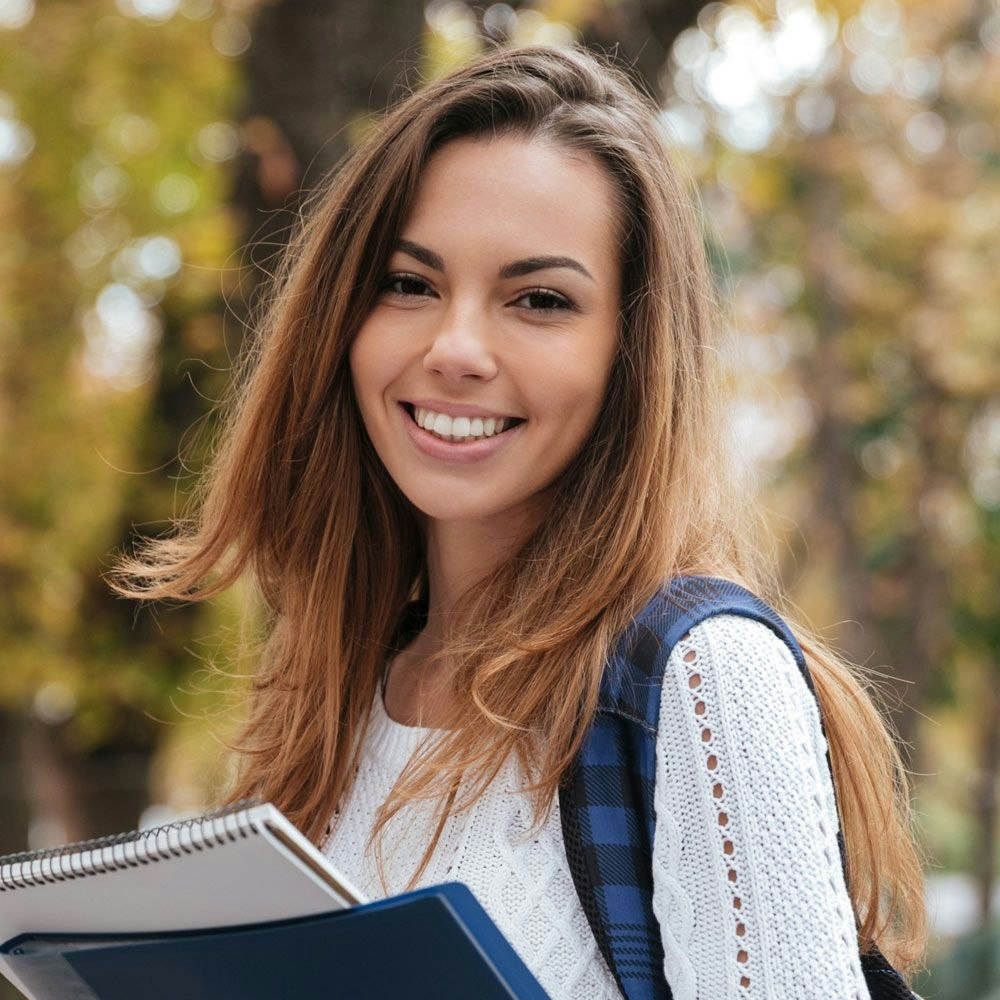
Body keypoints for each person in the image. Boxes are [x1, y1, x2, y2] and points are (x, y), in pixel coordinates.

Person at [109, 43, 929, 999]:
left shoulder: (703, 683)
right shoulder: (333, 687)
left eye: (539, 300)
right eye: (410, 284)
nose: (455, 349)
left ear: (630, 354)